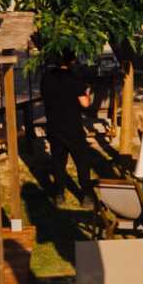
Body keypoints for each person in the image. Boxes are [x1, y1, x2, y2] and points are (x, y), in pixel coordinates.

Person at [39, 57, 102, 199]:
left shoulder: (46, 77)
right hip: (73, 127)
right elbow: (85, 103)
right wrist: (86, 91)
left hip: (54, 126)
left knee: (58, 162)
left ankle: (59, 193)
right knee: (81, 161)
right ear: (70, 61)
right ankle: (86, 194)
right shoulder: (74, 78)